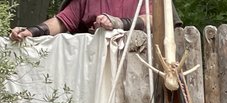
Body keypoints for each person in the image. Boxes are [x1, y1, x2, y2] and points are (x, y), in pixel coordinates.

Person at [10, 0, 149, 41]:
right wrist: (32, 31)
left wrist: (118, 23)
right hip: (95, 66)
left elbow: (152, 20)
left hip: (138, 65)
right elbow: (62, 21)